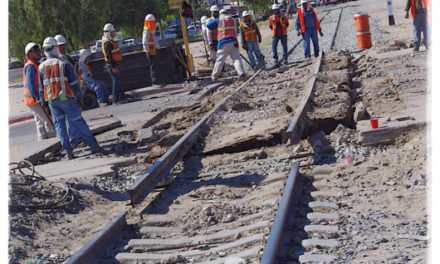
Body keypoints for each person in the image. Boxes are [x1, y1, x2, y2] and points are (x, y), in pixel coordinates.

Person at [38, 37, 104, 160]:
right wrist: (79, 97)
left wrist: (45, 105)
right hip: (67, 98)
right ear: (56, 48)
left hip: (52, 100)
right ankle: (94, 146)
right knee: (78, 121)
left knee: (60, 126)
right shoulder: (64, 64)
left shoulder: (41, 67)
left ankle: (68, 151)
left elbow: (41, 89)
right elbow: (73, 83)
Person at [23, 42, 56, 141]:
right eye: (35, 51)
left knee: (40, 122)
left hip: (31, 100)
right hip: (35, 99)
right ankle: (53, 141)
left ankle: (42, 142)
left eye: (38, 50)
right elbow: (31, 84)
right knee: (48, 121)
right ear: (29, 54)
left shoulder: (34, 64)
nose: (38, 52)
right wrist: (38, 97)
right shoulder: (31, 66)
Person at [207, 8, 246, 81]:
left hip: (223, 43)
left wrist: (208, 20)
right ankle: (241, 73)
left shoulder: (219, 20)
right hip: (234, 42)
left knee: (219, 60)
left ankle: (214, 76)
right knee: (236, 59)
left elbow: (208, 26)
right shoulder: (233, 20)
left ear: (220, 14)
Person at [102, 23, 126, 105]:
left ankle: (121, 98)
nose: (113, 34)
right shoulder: (107, 43)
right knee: (116, 81)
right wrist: (113, 66)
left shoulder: (110, 41)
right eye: (112, 32)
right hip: (112, 64)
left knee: (118, 80)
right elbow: (109, 57)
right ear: (108, 33)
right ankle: (116, 99)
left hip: (114, 63)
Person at [142, 14, 160, 87]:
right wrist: (147, 51)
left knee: (155, 67)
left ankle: (156, 82)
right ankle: (155, 82)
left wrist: (158, 47)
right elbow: (145, 42)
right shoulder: (147, 31)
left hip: (153, 51)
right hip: (150, 52)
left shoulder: (151, 31)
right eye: (152, 22)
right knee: (153, 67)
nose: (153, 24)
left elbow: (154, 41)